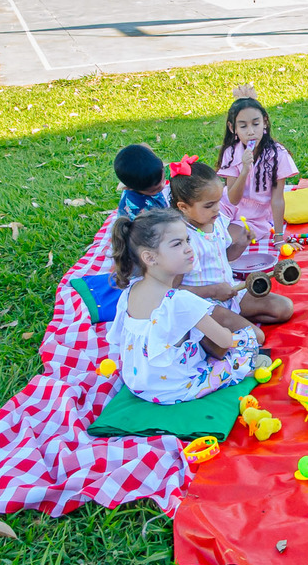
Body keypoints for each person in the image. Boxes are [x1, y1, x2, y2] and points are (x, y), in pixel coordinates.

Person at [106, 208, 261, 405]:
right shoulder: (180, 300)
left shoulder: (130, 291)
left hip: (138, 383)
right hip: (176, 388)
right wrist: (242, 338)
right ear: (150, 258)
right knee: (245, 344)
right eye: (177, 244)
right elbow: (224, 341)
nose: (189, 248)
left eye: (188, 240)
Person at [169, 158, 294, 326]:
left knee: (284, 308)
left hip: (229, 292)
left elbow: (224, 256)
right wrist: (212, 291)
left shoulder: (217, 221)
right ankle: (214, 330)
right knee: (254, 337)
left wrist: (242, 243)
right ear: (183, 207)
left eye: (219, 201)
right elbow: (172, 291)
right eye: (209, 205)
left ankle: (232, 323)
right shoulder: (181, 240)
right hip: (203, 305)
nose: (217, 208)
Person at [217, 97, 300, 243]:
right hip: (227, 207)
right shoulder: (231, 153)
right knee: (207, 232)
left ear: (265, 122)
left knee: (229, 240)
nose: (251, 132)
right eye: (243, 126)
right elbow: (233, 199)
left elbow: (277, 199)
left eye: (256, 124)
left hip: (256, 217)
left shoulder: (278, 155)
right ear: (232, 128)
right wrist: (244, 171)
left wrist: (279, 237)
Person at [114, 143, 168, 220]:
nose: (163, 186)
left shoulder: (141, 182)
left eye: (163, 180)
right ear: (128, 188)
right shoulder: (140, 210)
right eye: (154, 190)